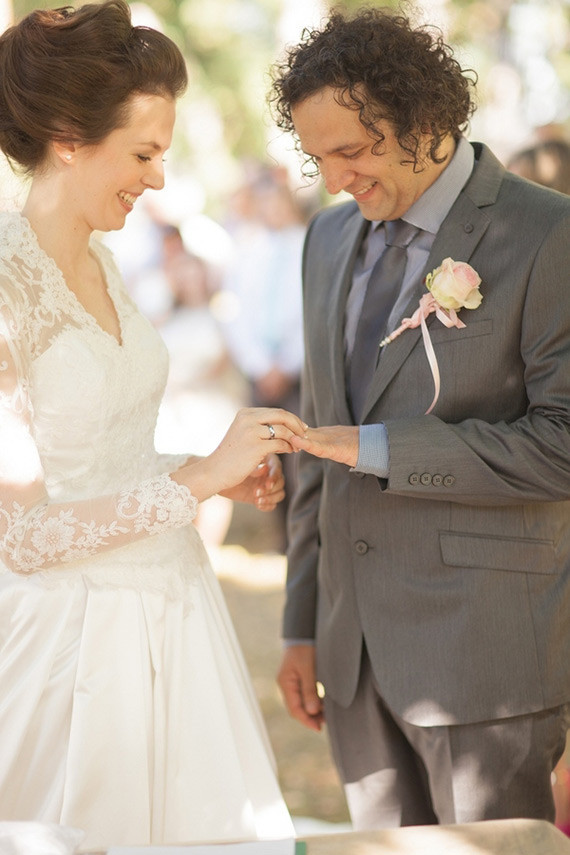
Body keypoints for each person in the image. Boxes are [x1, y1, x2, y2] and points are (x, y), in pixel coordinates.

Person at [0, 1, 304, 848]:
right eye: (144, 153)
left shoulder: (101, 259)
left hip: (174, 607)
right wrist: (198, 479)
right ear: (67, 133)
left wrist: (207, 464)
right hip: (73, 647)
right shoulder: (2, 286)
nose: (160, 178)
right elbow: (20, 534)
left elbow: (101, 458)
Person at [269, 6, 570, 831]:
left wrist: (376, 448)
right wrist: (302, 622)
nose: (335, 179)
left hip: (482, 657)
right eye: (318, 156)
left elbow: (563, 445)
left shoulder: (548, 234)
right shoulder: (327, 239)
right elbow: (315, 435)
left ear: (428, 123)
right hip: (351, 655)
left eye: (354, 152)